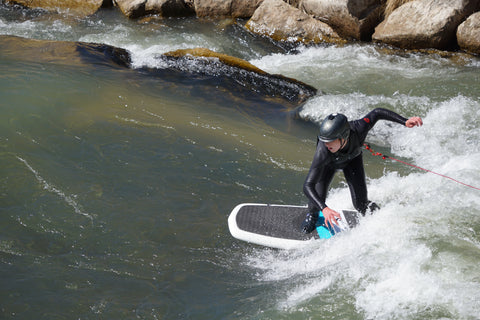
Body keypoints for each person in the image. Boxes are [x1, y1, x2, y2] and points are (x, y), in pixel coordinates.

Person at [301, 108, 423, 234]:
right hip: (328, 165)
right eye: (324, 140)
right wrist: (324, 209)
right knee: (318, 200)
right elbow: (308, 185)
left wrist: (405, 121)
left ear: (343, 137)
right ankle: (312, 216)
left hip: (353, 161)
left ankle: (381, 218)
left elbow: (377, 112)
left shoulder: (359, 128)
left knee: (361, 204)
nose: (326, 144)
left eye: (330, 141)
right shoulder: (323, 152)